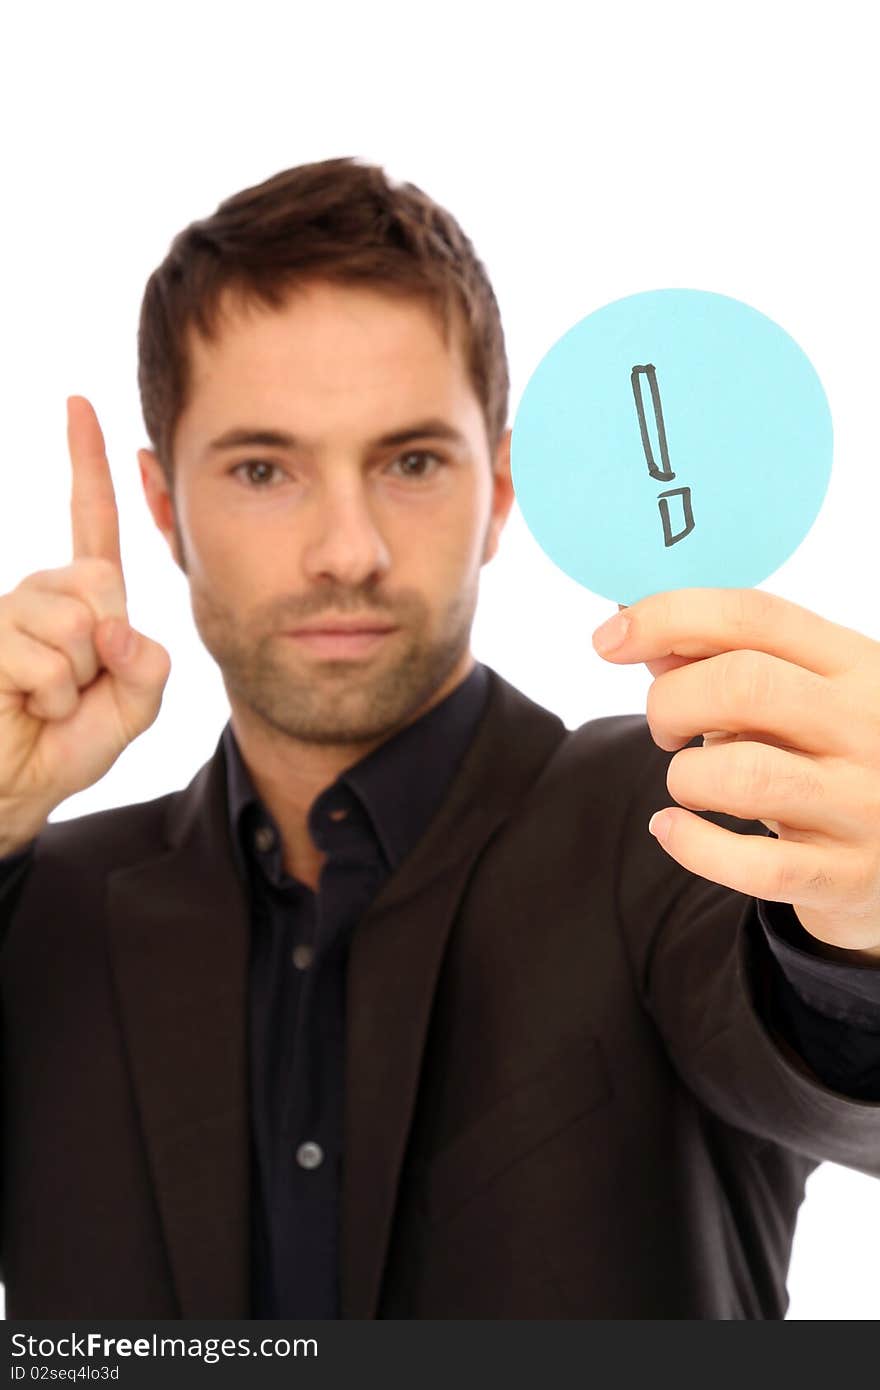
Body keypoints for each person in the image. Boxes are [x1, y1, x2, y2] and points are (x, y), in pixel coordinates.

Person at [0, 157, 878, 1322]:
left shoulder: (673, 819)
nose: (346, 548)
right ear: (166, 508)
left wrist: (858, 928)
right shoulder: (40, 902)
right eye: (263, 470)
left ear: (501, 486)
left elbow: (829, 1070)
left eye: (410, 461)